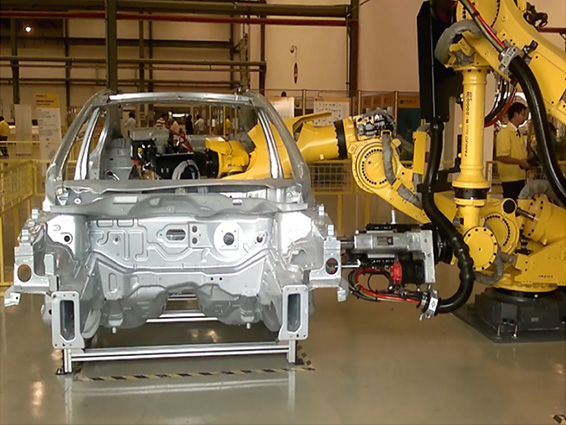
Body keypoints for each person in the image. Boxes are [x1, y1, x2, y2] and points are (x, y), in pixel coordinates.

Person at [496, 102, 530, 200]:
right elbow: (501, 157)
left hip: (520, 176)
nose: (525, 118)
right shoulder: (505, 134)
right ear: (515, 114)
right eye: (523, 114)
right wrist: (520, 162)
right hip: (510, 179)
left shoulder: (518, 133)